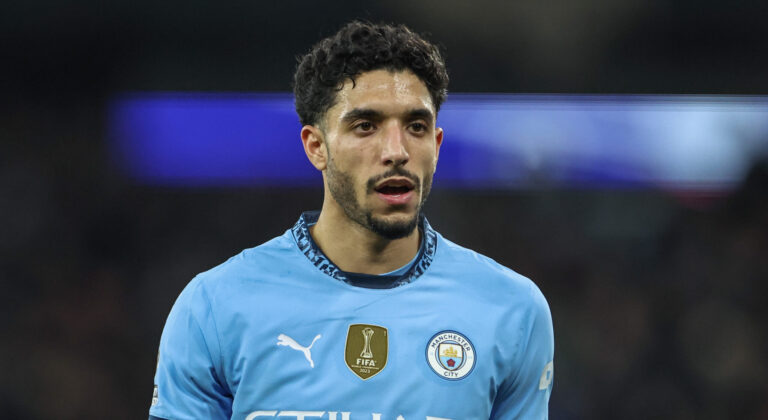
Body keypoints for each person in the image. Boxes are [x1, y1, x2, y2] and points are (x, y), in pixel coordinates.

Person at [149, 21, 554, 420]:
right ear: (316, 147)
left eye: (416, 126)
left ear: (436, 143)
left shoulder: (512, 311)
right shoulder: (215, 308)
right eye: (366, 126)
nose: (396, 151)